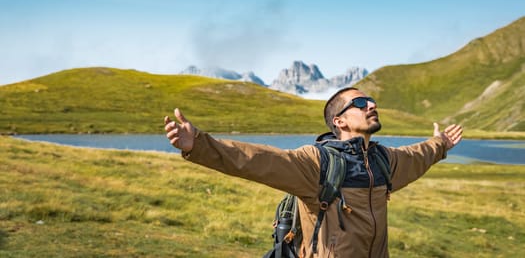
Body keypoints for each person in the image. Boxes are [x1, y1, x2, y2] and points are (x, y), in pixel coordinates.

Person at [164, 87, 463, 257]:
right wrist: (199, 145)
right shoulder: (317, 163)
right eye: (359, 103)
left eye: (372, 101)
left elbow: (419, 156)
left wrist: (441, 143)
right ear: (339, 121)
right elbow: (257, 160)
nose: (371, 105)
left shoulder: (385, 161)